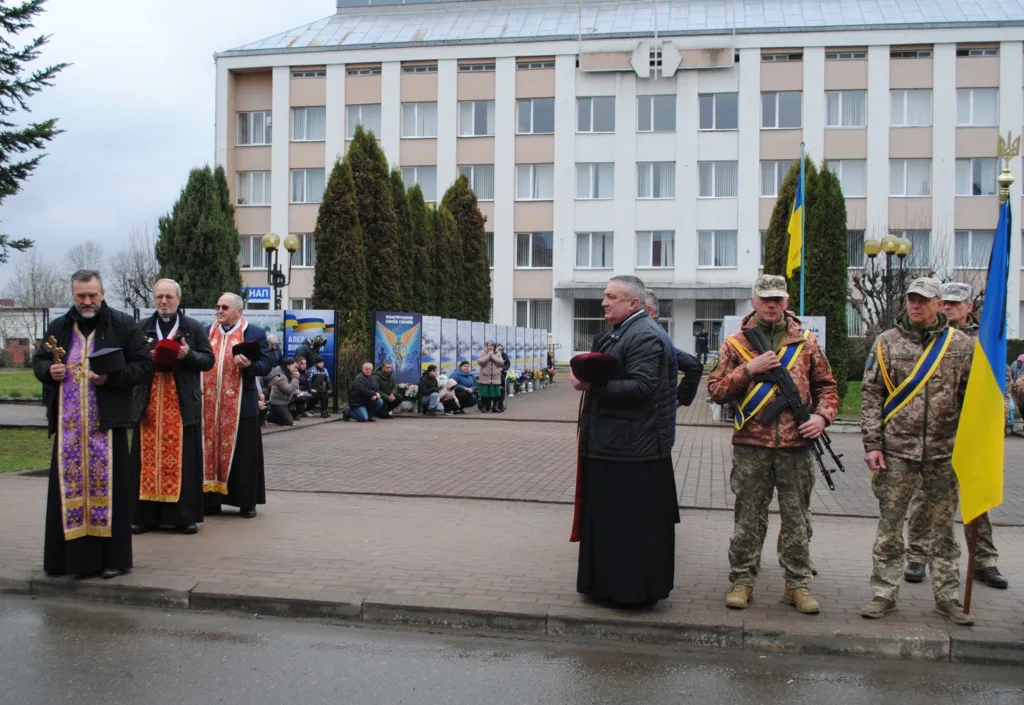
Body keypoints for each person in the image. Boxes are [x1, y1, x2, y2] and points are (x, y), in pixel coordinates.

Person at [707, 275, 838, 614]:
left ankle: (797, 586)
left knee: (797, 519)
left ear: (786, 301)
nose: (771, 304)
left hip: (796, 445)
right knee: (748, 518)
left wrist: (822, 417)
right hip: (752, 446)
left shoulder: (805, 342)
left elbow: (828, 387)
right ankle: (742, 581)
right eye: (765, 298)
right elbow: (716, 390)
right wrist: (748, 370)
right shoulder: (736, 344)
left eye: (777, 299)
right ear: (753, 301)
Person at [861, 277, 974, 625]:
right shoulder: (887, 343)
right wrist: (872, 444)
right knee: (890, 527)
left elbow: (974, 396)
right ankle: (883, 593)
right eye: (911, 299)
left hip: (944, 452)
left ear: (939, 304)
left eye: (923, 300)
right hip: (897, 451)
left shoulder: (962, 345)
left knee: (943, 530)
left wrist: (977, 441)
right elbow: (870, 396)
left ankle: (948, 597)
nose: (914, 305)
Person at [33, 270, 152, 578]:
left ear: (103, 293)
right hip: (69, 427)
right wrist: (50, 371)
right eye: (80, 296)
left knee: (111, 493)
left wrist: (111, 377)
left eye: (92, 295)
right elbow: (39, 361)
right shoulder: (59, 326)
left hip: (106, 426)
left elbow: (144, 365)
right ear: (73, 295)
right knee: (67, 490)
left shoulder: (123, 324)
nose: (87, 301)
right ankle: (65, 561)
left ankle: (113, 560)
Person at [571, 275, 678, 606]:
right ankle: (604, 587)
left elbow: (643, 389)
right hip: (614, 445)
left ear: (634, 303)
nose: (604, 302)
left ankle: (630, 593)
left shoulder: (644, 335)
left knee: (628, 529)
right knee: (608, 524)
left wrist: (592, 387)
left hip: (633, 450)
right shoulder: (620, 331)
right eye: (604, 296)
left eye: (611, 297)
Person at [904, 282, 1009, 590]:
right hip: (934, 436)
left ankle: (984, 561)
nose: (948, 307)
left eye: (955, 304)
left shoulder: (983, 341)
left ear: (968, 309)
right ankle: (917, 556)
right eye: (945, 302)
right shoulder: (925, 337)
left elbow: (995, 390)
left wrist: (993, 423)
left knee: (977, 500)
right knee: (924, 500)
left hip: (970, 435)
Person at [131, 278, 215, 536]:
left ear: (179, 299)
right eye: (159, 297)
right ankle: (143, 517)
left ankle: (184, 517)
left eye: (169, 297)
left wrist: (186, 355)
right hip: (149, 403)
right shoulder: (142, 327)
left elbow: (208, 360)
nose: (164, 301)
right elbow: (130, 360)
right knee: (145, 461)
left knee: (183, 461)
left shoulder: (192, 327)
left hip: (180, 404)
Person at [203, 292, 273, 519]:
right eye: (217, 306)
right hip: (211, 407)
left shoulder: (253, 332)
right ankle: (211, 501)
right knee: (210, 454)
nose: (220, 311)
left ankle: (246, 502)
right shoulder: (207, 332)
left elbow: (266, 365)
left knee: (244, 455)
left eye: (225, 307)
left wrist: (250, 365)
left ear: (239, 311)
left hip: (241, 405)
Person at [644, 290, 702, 413]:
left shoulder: (652, 334)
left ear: (649, 310)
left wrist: (678, 400)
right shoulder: (654, 331)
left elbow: (694, 366)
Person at [266, 358, 301, 426]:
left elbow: (292, 387)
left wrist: (299, 392)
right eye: (293, 365)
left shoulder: (289, 373)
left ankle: (280, 414)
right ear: (288, 366)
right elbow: (288, 389)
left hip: (286, 400)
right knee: (289, 422)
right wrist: (296, 378)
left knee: (302, 399)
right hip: (278, 402)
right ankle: (269, 416)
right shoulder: (280, 376)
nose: (294, 367)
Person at [477, 342, 504, 413]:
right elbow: (480, 362)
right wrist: (489, 355)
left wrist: (493, 356)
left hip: (495, 376)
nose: (490, 347)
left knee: (496, 393)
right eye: (489, 346)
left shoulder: (498, 353)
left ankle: (495, 407)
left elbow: (501, 363)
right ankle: (484, 407)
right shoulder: (483, 352)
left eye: (492, 346)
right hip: (485, 376)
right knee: (484, 393)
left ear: (494, 347)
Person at [495, 347, 511, 412]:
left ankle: (500, 404)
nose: (500, 351)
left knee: (504, 388)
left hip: (502, 373)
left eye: (501, 349)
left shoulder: (504, 355)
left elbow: (508, 364)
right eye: (499, 349)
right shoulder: (494, 354)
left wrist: (503, 368)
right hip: (495, 373)